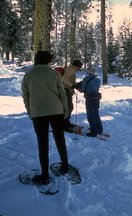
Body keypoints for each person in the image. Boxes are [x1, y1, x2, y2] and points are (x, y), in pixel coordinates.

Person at [21, 51, 69, 184]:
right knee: (60, 138)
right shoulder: (54, 74)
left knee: (42, 143)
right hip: (56, 111)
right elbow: (62, 93)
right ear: (48, 61)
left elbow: (26, 96)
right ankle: (65, 167)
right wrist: (65, 109)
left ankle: (45, 174)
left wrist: (30, 111)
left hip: (38, 113)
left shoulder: (28, 75)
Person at [73, 67, 103, 137]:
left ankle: (93, 132)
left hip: (90, 98)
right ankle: (99, 129)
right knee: (96, 113)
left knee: (90, 115)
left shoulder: (86, 79)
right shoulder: (98, 80)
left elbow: (82, 89)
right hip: (97, 98)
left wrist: (77, 87)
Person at [62, 60, 83, 131]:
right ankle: (64, 125)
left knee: (69, 107)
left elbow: (70, 80)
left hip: (68, 89)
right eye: (78, 67)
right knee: (68, 107)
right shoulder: (70, 69)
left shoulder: (72, 69)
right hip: (65, 90)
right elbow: (64, 78)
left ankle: (66, 123)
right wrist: (72, 85)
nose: (78, 69)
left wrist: (76, 85)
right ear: (76, 66)